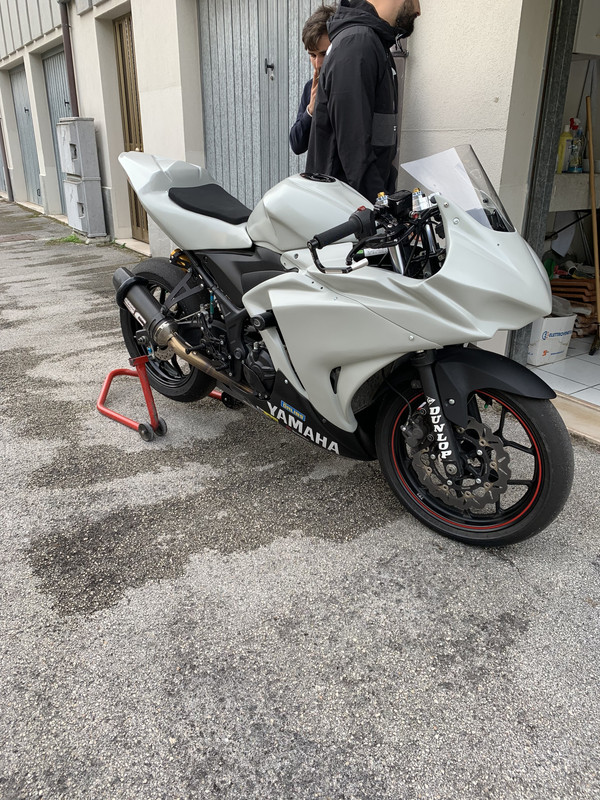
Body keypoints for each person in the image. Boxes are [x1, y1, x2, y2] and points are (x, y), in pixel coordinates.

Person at [306, 0, 421, 202]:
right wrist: (384, 211)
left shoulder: (372, 42)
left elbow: (378, 146)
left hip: (358, 206)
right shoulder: (357, 43)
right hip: (346, 209)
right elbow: (356, 154)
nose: (418, 10)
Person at [289, 5, 336, 156]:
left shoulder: (351, 85)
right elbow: (297, 144)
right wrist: (310, 109)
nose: (318, 63)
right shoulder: (311, 87)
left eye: (324, 53)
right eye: (313, 55)